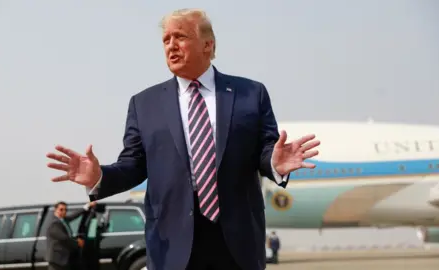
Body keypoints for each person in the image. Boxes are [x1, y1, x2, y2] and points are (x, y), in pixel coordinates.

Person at [46, 8, 320, 270]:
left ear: (208, 45)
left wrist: (273, 162)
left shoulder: (251, 93)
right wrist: (99, 177)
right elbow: (133, 164)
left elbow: (264, 151)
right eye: (166, 39)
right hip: (171, 244)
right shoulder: (144, 104)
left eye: (181, 37)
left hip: (238, 242)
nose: (171, 45)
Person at [46, 201, 96, 270]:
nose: (64, 211)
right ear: (55, 210)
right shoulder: (54, 223)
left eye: (65, 210)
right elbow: (64, 238)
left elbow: (74, 215)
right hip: (57, 259)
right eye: (61, 209)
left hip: (62, 258)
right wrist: (77, 242)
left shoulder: (63, 219)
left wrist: (87, 206)